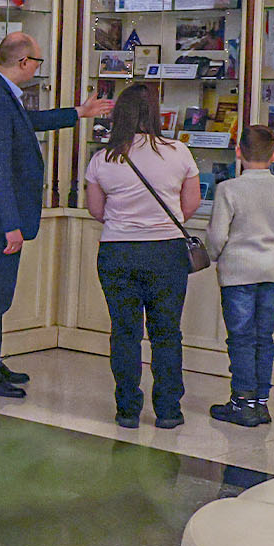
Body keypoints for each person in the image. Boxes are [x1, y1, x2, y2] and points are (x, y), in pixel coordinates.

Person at [0, 32, 112, 397]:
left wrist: (79, 113)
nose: (39, 68)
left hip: (3, 214)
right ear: (24, 62)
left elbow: (28, 122)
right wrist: (9, 225)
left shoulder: (0, 92)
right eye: (38, 61)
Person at [84, 83, 200, 428]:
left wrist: (125, 222)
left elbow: (95, 209)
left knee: (124, 332)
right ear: (156, 114)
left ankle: (127, 409)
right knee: (167, 332)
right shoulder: (178, 152)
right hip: (166, 252)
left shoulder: (103, 158)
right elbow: (190, 204)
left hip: (118, 251)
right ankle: (168, 410)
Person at [205, 125, 274, 427]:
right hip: (270, 269)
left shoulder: (228, 189)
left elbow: (217, 235)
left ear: (238, 152)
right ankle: (261, 402)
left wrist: (212, 256)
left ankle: (242, 401)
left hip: (238, 273)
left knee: (241, 338)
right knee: (263, 338)